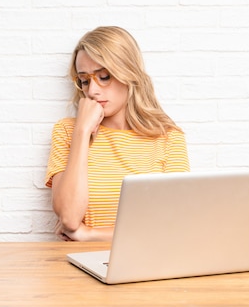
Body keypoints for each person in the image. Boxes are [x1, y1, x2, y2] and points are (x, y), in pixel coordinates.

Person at [45, 26, 189, 242]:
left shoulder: (167, 138)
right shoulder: (67, 132)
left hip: (150, 264)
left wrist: (91, 235)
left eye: (104, 77)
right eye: (84, 80)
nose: (92, 91)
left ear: (128, 74)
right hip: (79, 266)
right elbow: (69, 218)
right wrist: (82, 132)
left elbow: (176, 224)